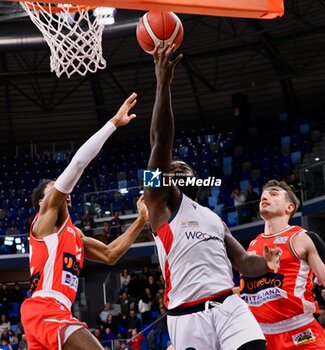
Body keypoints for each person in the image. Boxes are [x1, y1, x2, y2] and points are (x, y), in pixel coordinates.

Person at [144, 43, 281, 350]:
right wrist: (162, 85)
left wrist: (267, 263)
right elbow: (159, 142)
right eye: (171, 165)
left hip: (227, 306)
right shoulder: (158, 205)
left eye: (182, 165)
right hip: (186, 317)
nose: (175, 165)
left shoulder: (214, 218)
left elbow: (244, 262)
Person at [20, 93, 149, 350]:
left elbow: (111, 254)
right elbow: (78, 163)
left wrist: (141, 220)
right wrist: (113, 123)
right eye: (54, 189)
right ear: (42, 204)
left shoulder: (74, 235)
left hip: (53, 311)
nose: (62, 191)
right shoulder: (43, 225)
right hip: (45, 307)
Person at [240, 179, 325, 349]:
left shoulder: (302, 238)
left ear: (289, 207)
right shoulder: (252, 246)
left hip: (299, 332)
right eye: (263, 194)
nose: (265, 196)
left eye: (274, 193)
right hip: (262, 336)